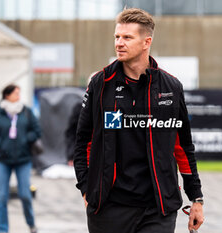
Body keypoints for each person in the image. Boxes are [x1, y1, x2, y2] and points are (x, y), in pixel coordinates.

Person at [73, 8, 204, 233]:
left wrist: (197, 198)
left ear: (146, 42)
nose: (119, 43)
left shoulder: (171, 87)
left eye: (127, 37)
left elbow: (182, 147)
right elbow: (83, 141)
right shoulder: (101, 83)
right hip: (109, 208)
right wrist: (87, 189)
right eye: (117, 37)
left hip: (158, 208)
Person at [0, 84, 40, 233]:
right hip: (3, 160)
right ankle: (2, 229)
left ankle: (31, 224)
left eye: (19, 93)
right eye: (16, 93)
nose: (18, 96)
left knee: (25, 194)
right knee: (2, 196)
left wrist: (24, 139)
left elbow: (37, 131)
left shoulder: (26, 112)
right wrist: (0, 143)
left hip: (23, 160)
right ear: (7, 95)